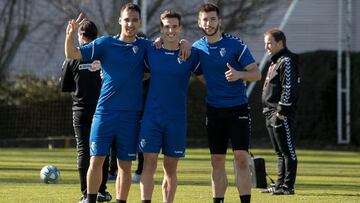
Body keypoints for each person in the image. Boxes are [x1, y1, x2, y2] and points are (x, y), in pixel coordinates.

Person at [65, 4, 190, 203]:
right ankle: (89, 199)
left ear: (139, 22)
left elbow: (168, 41)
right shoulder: (105, 43)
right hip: (104, 113)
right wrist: (70, 34)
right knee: (96, 160)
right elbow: (72, 54)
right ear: (120, 21)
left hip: (132, 116)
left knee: (125, 165)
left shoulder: (146, 46)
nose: (130, 24)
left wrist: (185, 42)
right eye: (127, 19)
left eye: (134, 20)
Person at [192, 3, 261, 203]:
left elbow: (256, 73)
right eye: (205, 19)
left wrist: (240, 74)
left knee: (241, 157)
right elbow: (199, 75)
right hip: (214, 111)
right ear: (199, 22)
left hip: (237, 109)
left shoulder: (235, 44)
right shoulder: (197, 49)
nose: (209, 23)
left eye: (213, 19)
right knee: (217, 160)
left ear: (219, 21)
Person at [139, 10, 201, 203]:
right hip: (152, 118)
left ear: (180, 28)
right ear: (161, 29)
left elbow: (208, 79)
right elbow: (136, 72)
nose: (171, 30)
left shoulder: (190, 53)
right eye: (167, 26)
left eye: (175, 26)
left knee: (170, 168)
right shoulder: (151, 50)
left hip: (176, 120)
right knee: (149, 164)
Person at [59, 20, 112, 203]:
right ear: (96, 37)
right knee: (102, 151)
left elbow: (65, 87)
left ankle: (85, 194)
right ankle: (102, 192)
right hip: (102, 110)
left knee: (84, 152)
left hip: (80, 111)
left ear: (81, 36)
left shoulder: (72, 59)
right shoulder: (104, 56)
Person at [261, 28, 299, 195]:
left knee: (287, 151)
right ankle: (278, 185)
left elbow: (289, 88)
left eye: (269, 43)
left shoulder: (287, 61)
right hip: (269, 112)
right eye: (265, 43)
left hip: (280, 113)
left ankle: (288, 187)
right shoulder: (275, 61)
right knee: (279, 153)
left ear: (280, 43)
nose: (266, 47)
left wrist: (281, 111)